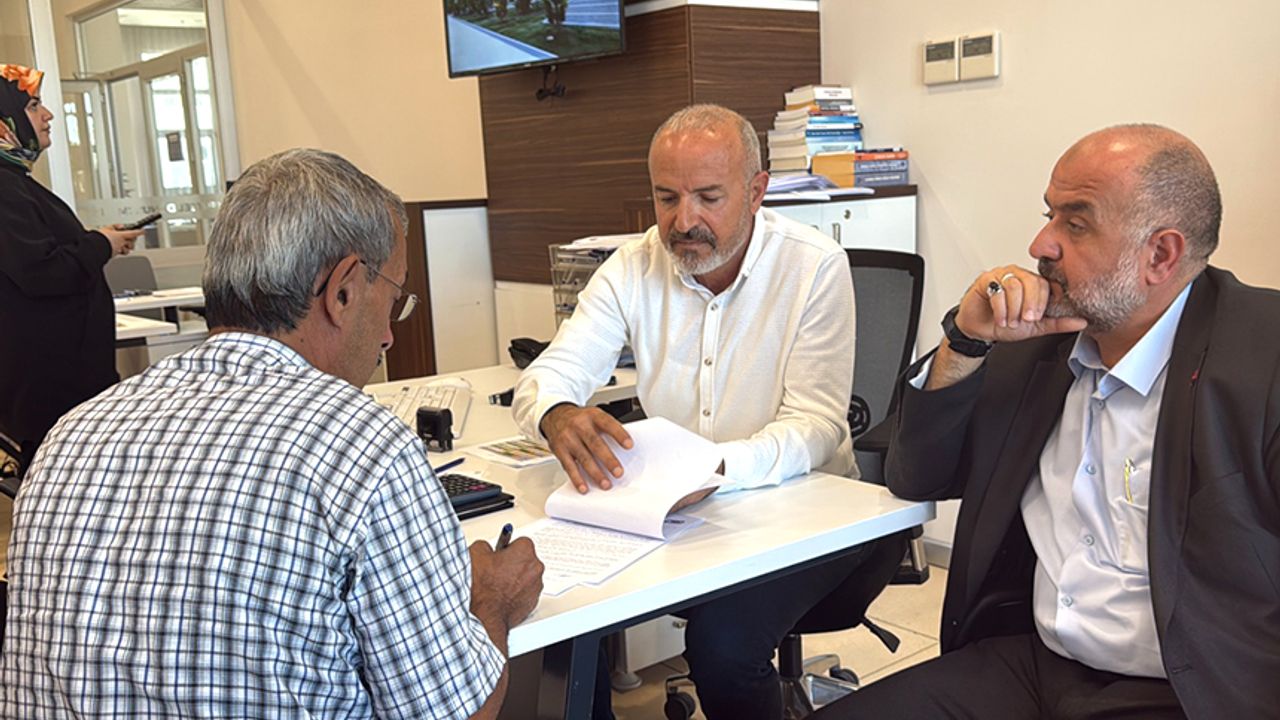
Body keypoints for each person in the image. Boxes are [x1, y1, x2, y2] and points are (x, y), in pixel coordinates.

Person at [1, 148, 544, 719]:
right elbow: (459, 713)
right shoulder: (360, 445)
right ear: (343, 290)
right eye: (393, 299)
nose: (388, 335)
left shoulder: (71, 434)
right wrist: (493, 601)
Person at [814, 125, 1280, 720]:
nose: (1041, 244)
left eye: (1075, 224)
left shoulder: (1263, 360)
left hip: (1188, 690)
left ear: (1160, 255)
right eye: (1049, 215)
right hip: (1033, 664)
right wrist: (965, 341)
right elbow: (917, 476)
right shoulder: (1036, 344)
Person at [512, 104, 905, 719]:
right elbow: (550, 374)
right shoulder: (631, 267)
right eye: (666, 198)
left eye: (708, 197)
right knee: (553, 605)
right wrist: (556, 412)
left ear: (756, 191)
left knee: (723, 647)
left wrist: (715, 468)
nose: (683, 221)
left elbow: (817, 425)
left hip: (806, 511)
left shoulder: (812, 265)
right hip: (678, 514)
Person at [0, 63, 145, 476]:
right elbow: (41, 271)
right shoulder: (5, 188)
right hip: (49, 392)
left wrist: (102, 241)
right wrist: (100, 244)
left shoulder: (16, 183)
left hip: (61, 387)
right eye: (33, 106)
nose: (47, 115)